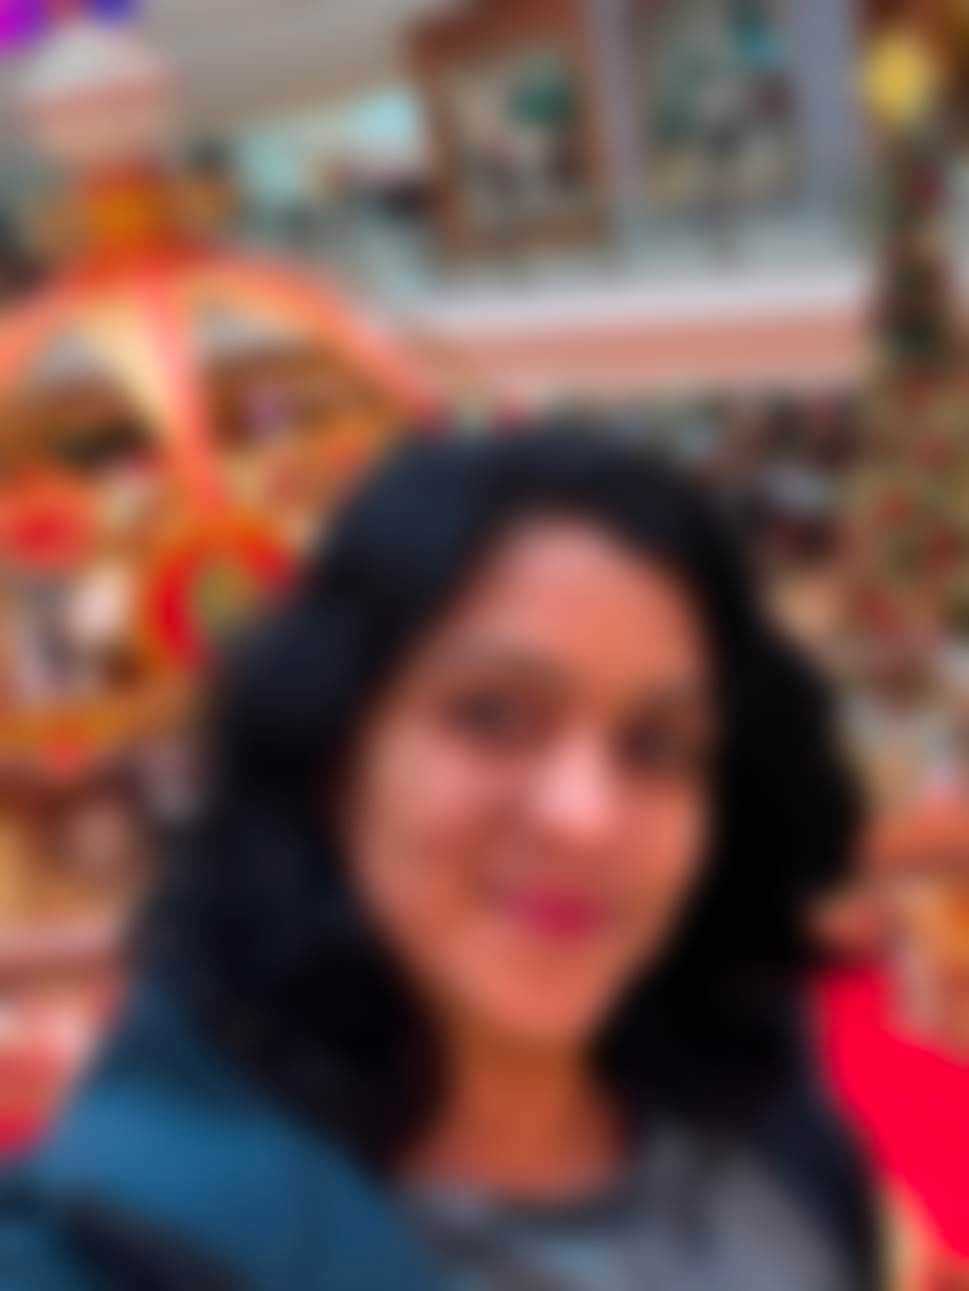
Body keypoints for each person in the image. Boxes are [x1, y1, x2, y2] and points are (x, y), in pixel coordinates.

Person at [1, 429, 879, 1289]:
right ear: (334, 751)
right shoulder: (107, 1248)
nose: (585, 818)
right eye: (492, 715)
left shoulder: (769, 1128)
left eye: (655, 745)